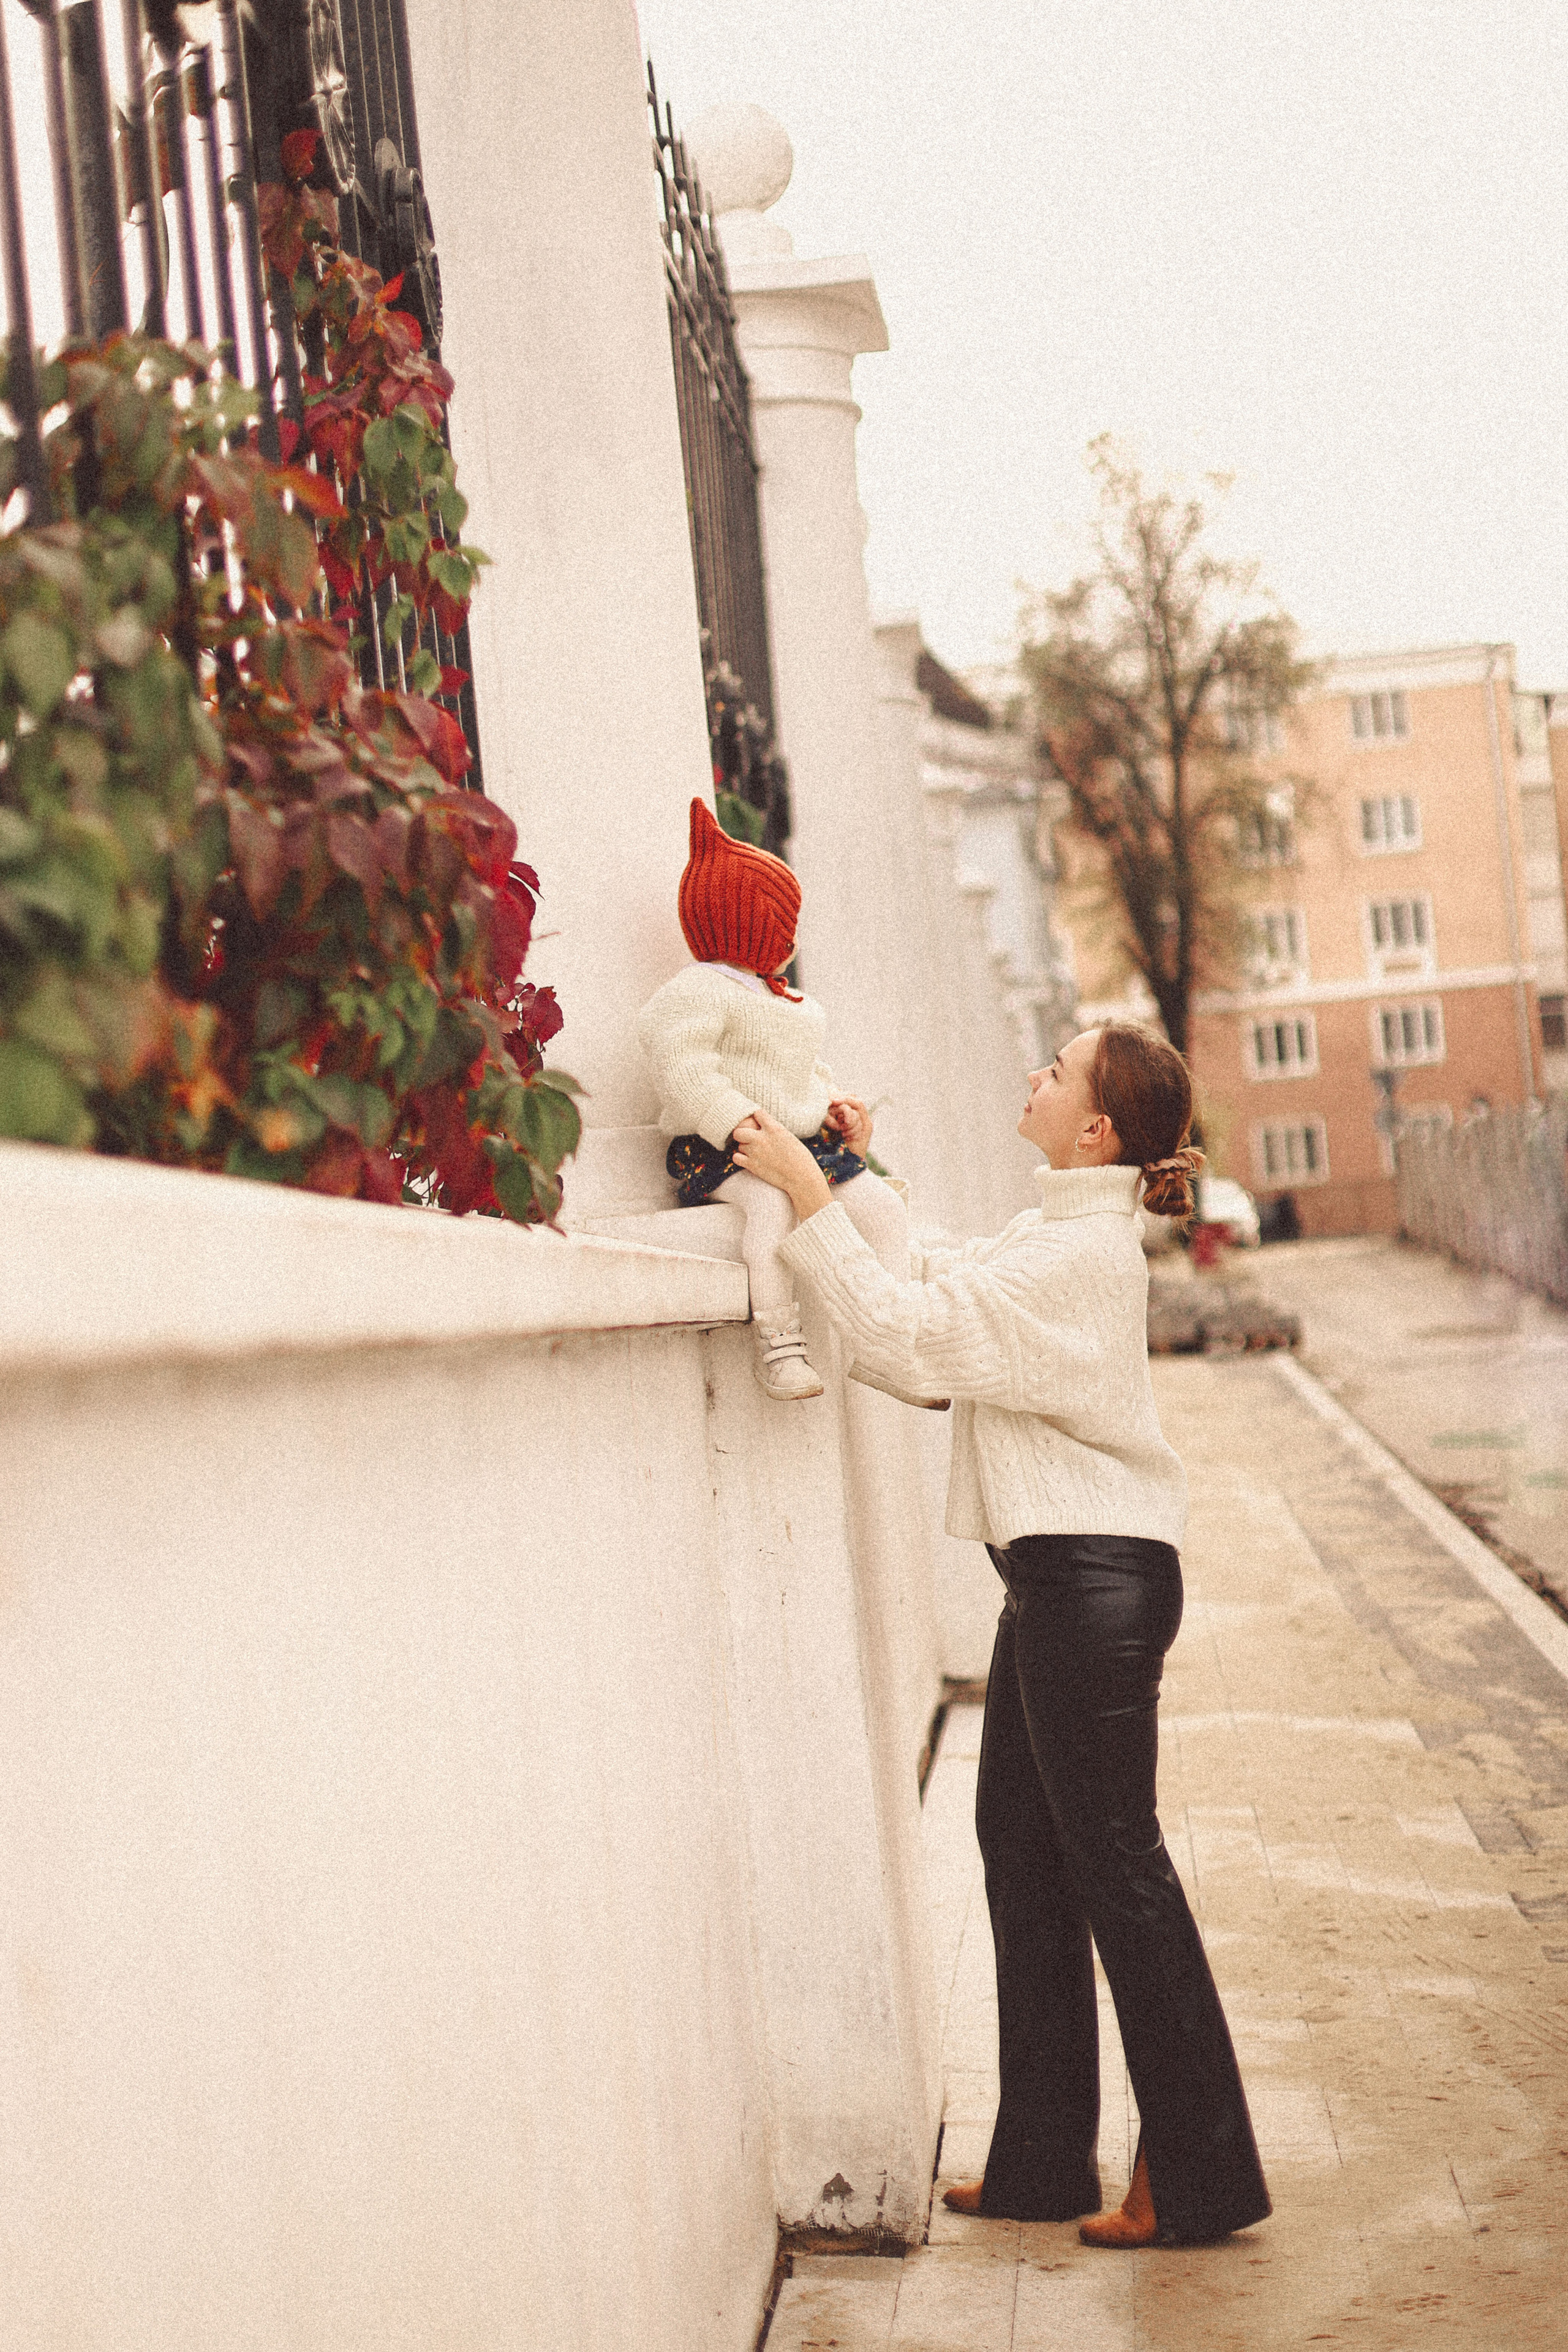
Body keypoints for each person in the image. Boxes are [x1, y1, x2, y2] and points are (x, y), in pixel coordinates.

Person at [731, 1023, 1272, 2248]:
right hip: (1055, 1575)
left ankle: (1196, 2175)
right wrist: (854, 1178)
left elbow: (907, 1341)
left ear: (1093, 1132)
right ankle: (1040, 2163)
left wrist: (807, 1197)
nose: (1031, 1072)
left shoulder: (1081, 1260)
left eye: (1057, 1071)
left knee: (1116, 1870)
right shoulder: (1052, 1237)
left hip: (1093, 1579)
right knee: (1022, 1854)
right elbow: (930, 1279)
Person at [638, 801, 932, 1406]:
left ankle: (886, 1345)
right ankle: (778, 1344)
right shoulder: (696, 992)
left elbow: (802, 1072)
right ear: (748, 925)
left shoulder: (789, 1003)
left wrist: (831, 1105)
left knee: (883, 1209)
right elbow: (679, 1064)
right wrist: (732, 1120)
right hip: (726, 1151)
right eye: (782, 922)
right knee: (769, 1210)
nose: (791, 939)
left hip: (805, 1146)